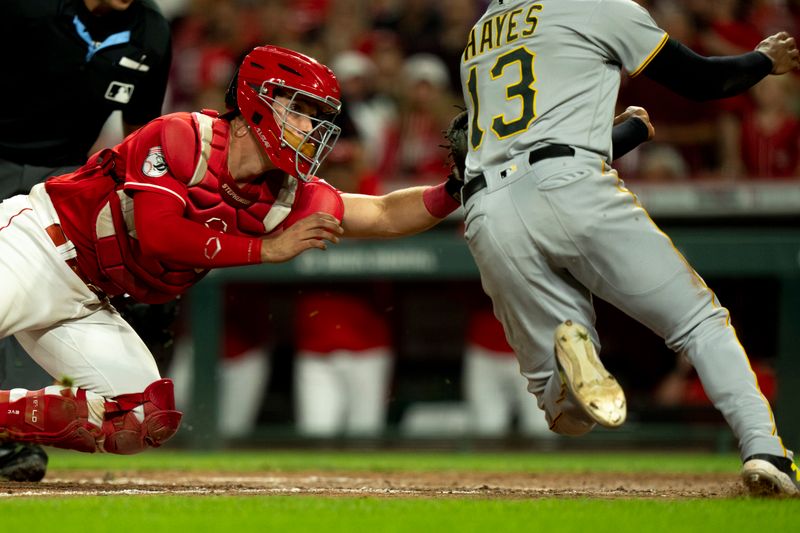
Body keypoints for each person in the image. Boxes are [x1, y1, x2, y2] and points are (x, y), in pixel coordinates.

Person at [0, 44, 466, 457]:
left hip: (86, 300)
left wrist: (454, 188)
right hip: (36, 244)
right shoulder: (182, 136)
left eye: (317, 117)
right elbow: (159, 232)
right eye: (301, 112)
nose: (311, 129)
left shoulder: (287, 192)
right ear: (259, 103)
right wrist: (267, 249)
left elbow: (384, 214)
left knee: (141, 416)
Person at [457, 0, 800, 496]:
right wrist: (765, 59)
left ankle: (572, 377)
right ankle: (765, 451)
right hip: (571, 184)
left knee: (561, 413)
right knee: (697, 321)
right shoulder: (598, 7)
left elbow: (527, 142)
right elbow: (701, 80)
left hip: (489, 209)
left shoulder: (481, 32)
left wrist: (625, 133)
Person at [0, 0, 172, 481]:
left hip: (64, 176)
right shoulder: (25, 9)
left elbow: (144, 136)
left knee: (43, 297)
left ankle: (10, 438)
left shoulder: (151, 31)